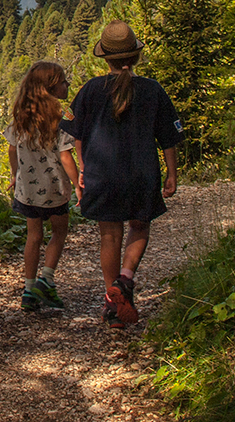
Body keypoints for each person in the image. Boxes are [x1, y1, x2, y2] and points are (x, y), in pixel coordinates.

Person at [63, 20, 183, 329]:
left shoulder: (90, 90)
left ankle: (111, 299)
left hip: (102, 173)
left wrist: (83, 166)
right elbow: (168, 137)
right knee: (140, 228)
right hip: (141, 173)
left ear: (105, 57)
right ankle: (125, 280)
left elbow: (76, 133)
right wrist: (172, 173)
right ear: (136, 56)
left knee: (109, 234)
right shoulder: (152, 90)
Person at [4, 61, 81, 312]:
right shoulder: (63, 115)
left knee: (33, 236)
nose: (67, 85)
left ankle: (28, 290)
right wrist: (79, 183)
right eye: (62, 82)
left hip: (27, 190)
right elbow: (66, 154)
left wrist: (16, 176)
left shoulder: (21, 114)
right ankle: (46, 279)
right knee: (59, 231)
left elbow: (12, 148)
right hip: (54, 189)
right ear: (50, 87)